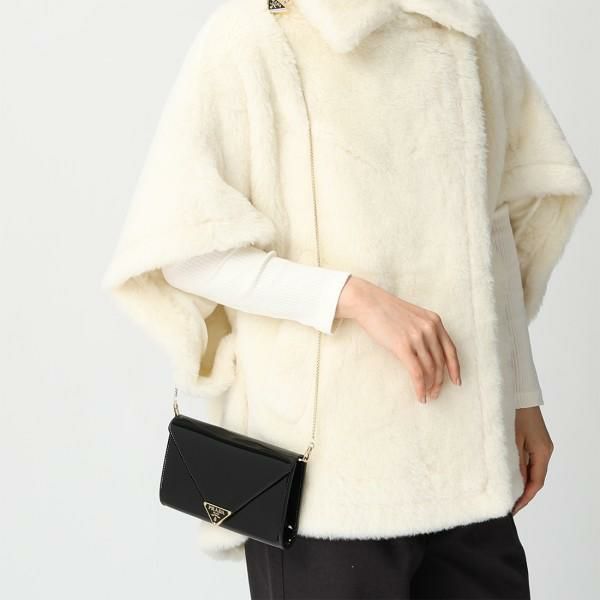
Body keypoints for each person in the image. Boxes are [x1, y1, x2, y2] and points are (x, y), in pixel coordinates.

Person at [101, 0, 592, 598]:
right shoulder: (255, 34)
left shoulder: (463, 28)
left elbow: (495, 228)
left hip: (469, 465)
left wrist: (521, 396)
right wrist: (352, 297)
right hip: (324, 487)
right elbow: (186, 252)